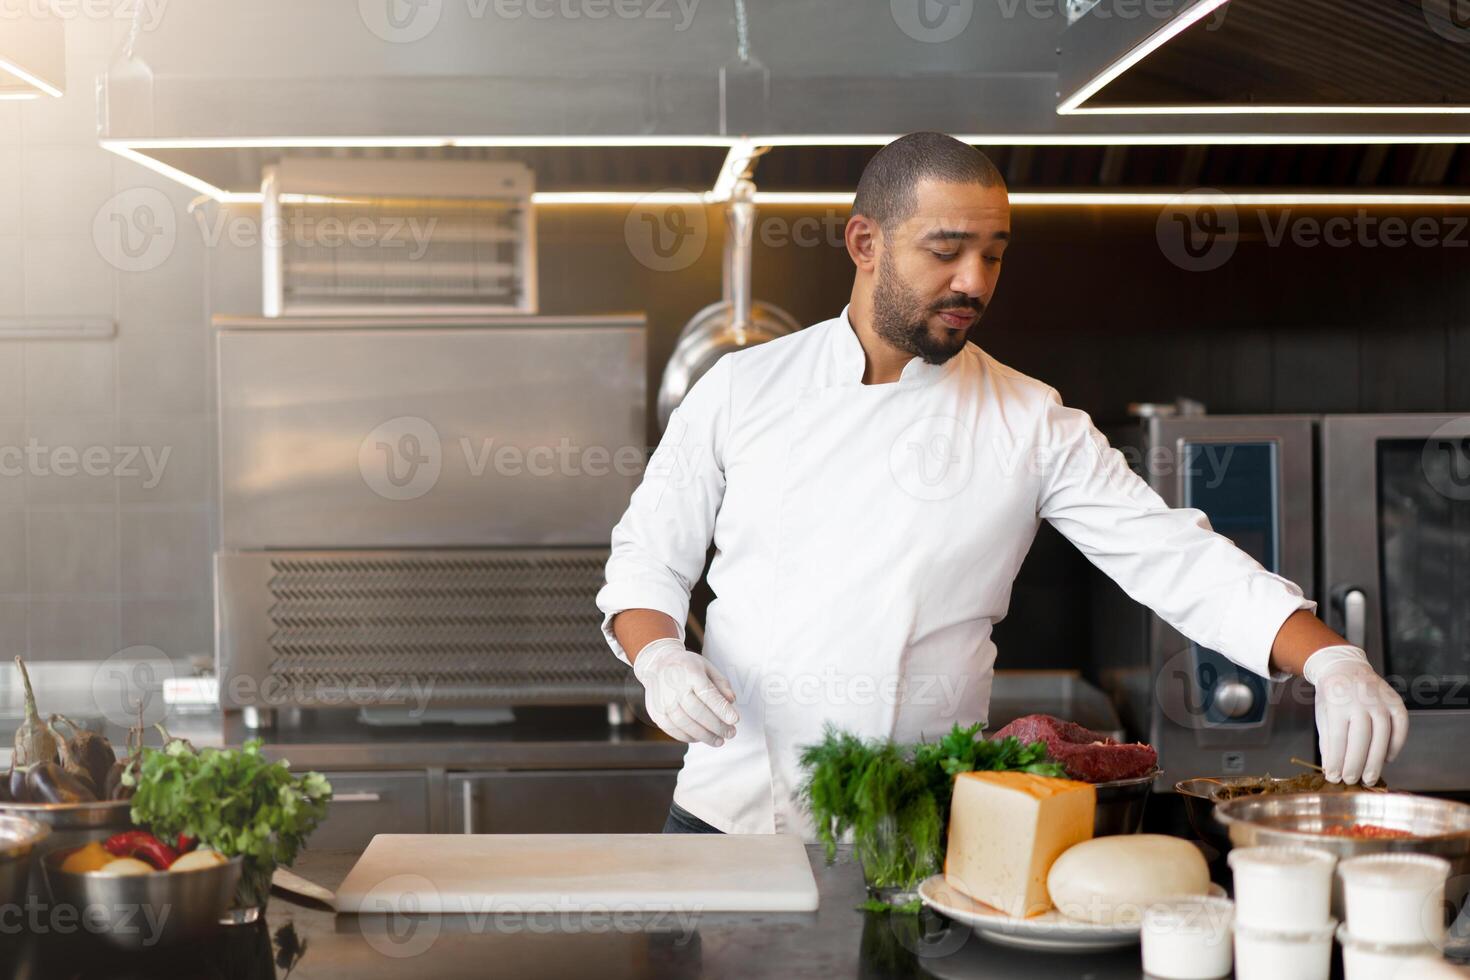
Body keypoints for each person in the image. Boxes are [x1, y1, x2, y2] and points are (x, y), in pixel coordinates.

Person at [596, 132, 1409, 837]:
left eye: (993, 255)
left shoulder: (1029, 419)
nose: (975, 282)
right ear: (864, 242)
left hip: (919, 832)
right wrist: (661, 655)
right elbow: (645, 560)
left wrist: (1332, 658)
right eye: (946, 250)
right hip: (730, 816)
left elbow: (1171, 555)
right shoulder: (743, 388)